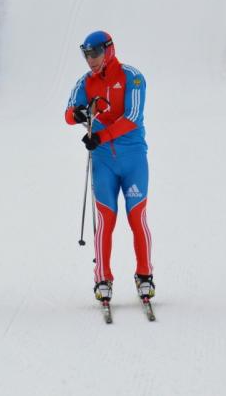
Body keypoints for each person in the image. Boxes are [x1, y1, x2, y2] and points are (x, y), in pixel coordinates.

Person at [65, 30, 154, 302]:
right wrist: (79, 113)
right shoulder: (85, 82)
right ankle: (102, 277)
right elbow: (68, 113)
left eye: (95, 54)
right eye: (86, 55)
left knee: (136, 217)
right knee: (106, 220)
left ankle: (144, 275)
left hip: (133, 159)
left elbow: (133, 117)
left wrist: (100, 135)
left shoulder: (132, 76)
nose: (91, 60)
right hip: (103, 161)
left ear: (109, 50)